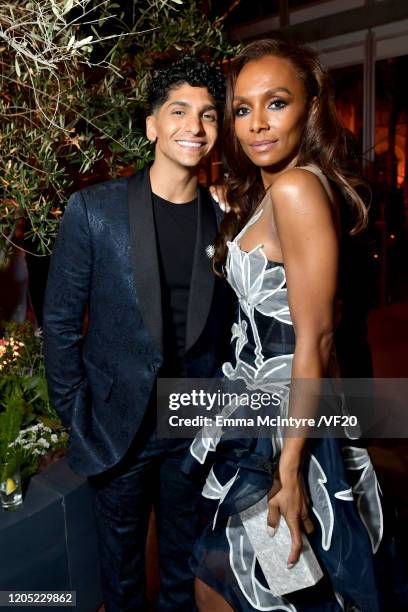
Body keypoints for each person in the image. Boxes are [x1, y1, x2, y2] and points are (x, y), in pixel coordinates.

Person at [183, 39, 399, 611]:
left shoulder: (298, 189)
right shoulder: (278, 188)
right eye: (243, 108)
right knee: (244, 582)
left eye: (276, 103)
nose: (257, 124)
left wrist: (290, 463)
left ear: (311, 107)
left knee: (245, 584)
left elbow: (318, 336)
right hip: (262, 414)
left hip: (281, 426)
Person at [43, 56, 232, 611]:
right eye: (179, 111)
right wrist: (76, 412)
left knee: (183, 569)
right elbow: (58, 324)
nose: (194, 127)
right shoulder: (93, 211)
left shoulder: (227, 219)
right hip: (115, 425)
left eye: (208, 115)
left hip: (192, 425)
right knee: (122, 580)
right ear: (152, 124)